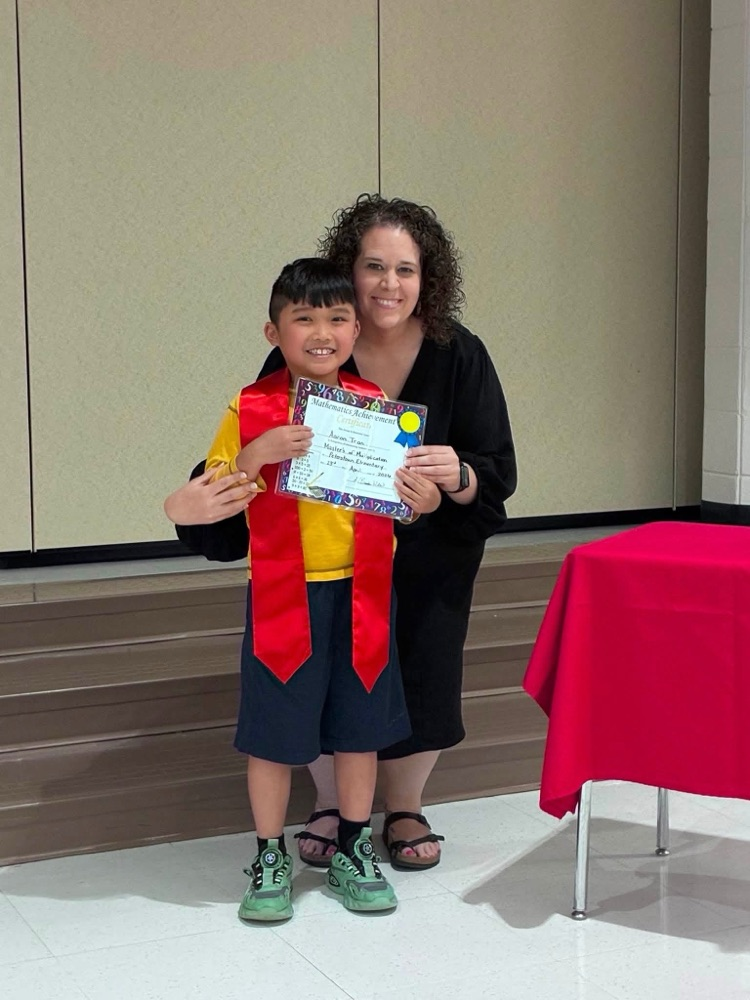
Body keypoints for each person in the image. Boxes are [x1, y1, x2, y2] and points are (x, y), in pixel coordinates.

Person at [164, 194, 517, 871]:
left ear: (427, 278)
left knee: (424, 667)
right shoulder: (313, 348)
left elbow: (495, 470)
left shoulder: (458, 352)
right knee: (324, 673)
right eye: (373, 266)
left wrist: (456, 478)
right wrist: (195, 499)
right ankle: (330, 804)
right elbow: (250, 445)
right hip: (324, 561)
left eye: (405, 270)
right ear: (347, 273)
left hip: (428, 550)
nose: (389, 284)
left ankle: (404, 805)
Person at [189, 257, 440, 922]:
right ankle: (270, 855)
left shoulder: (377, 409)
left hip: (363, 593)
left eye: (337, 319)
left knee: (359, 730)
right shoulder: (249, 408)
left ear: (356, 329)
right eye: (304, 319)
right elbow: (215, 494)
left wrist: (420, 501)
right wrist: (255, 455)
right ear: (274, 333)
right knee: (273, 734)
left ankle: (355, 846)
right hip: (284, 595)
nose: (322, 333)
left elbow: (398, 502)